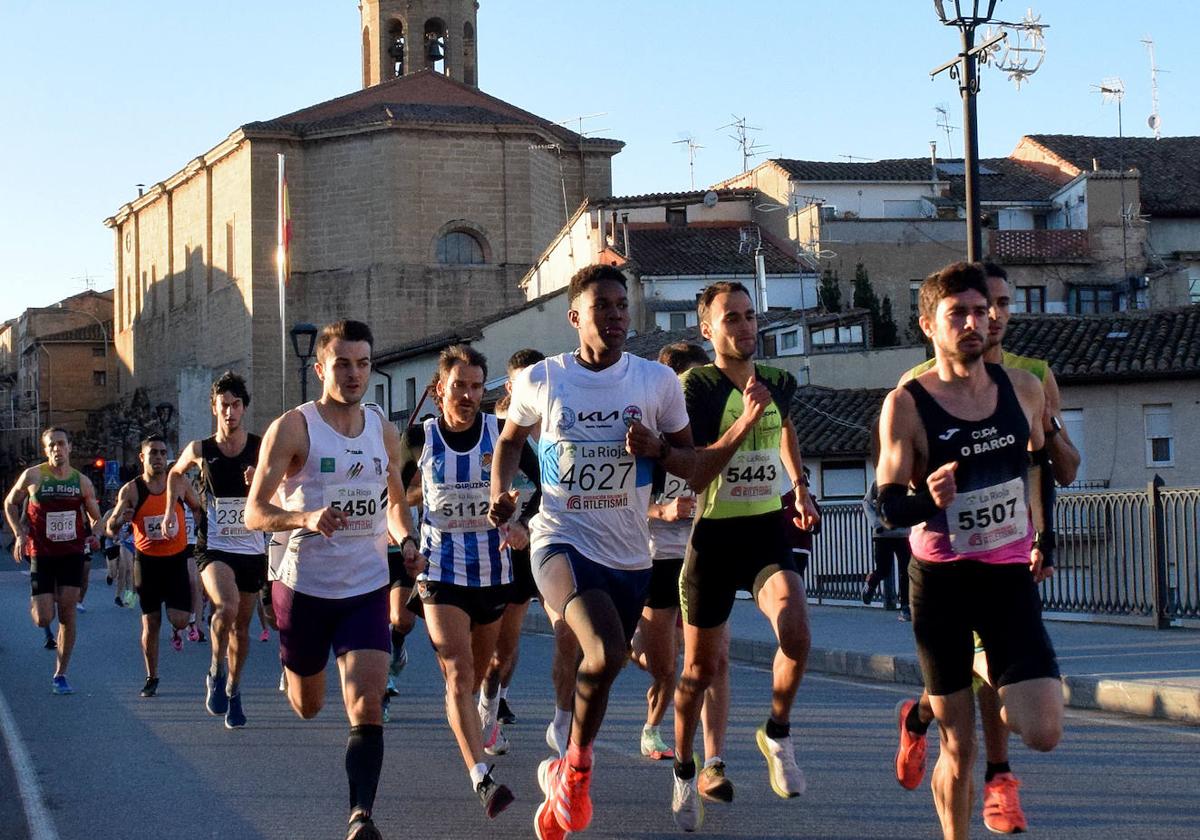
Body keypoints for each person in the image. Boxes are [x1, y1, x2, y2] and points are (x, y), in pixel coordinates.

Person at [489, 264, 695, 840]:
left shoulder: (657, 383)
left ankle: (566, 767)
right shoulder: (543, 379)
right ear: (575, 316)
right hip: (560, 538)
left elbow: (690, 460)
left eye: (622, 305)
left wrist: (658, 448)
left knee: (601, 671)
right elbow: (509, 440)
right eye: (601, 305)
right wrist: (501, 493)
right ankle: (576, 772)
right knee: (602, 652)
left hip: (631, 554)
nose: (615, 315)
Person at [878, 261, 1063, 840]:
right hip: (942, 583)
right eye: (958, 313)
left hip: (1007, 578)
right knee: (960, 743)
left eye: (982, 312)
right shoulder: (907, 403)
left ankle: (954, 688)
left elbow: (1040, 466)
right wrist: (926, 501)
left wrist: (1045, 535)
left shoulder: (1024, 389)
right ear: (929, 324)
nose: (974, 323)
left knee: (1045, 731)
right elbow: (886, 503)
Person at [245, 319, 421, 840]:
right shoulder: (293, 428)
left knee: (367, 706)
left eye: (363, 363)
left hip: (365, 588)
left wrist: (406, 542)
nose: (353, 373)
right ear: (321, 367)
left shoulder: (381, 430)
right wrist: (304, 517)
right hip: (303, 588)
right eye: (342, 363)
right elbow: (255, 512)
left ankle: (360, 816)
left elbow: (393, 503)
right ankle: (292, 669)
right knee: (309, 706)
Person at [669, 281, 819, 831]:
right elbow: (697, 466)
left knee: (797, 634)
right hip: (712, 539)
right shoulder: (696, 387)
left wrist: (799, 486)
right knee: (699, 671)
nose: (746, 327)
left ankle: (776, 733)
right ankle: (685, 769)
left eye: (751, 316)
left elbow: (787, 431)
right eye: (731, 318)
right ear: (707, 329)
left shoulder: (777, 381)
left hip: (764, 533)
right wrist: (744, 421)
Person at [399, 343, 541, 818]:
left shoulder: (500, 434)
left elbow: (545, 486)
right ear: (440, 390)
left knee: (481, 672)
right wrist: (405, 540)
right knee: (458, 672)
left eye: (476, 387)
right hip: (438, 571)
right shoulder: (419, 439)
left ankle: (487, 704)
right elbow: (392, 495)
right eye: (458, 386)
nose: (467, 395)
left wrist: (523, 524)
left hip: (493, 570)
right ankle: (482, 776)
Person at [166, 371, 265, 729]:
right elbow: (175, 474)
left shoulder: (261, 447)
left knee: (242, 629)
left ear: (243, 409)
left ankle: (235, 690)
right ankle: (215, 670)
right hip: (215, 546)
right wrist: (169, 513)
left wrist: (262, 481)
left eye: (236, 405)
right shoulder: (200, 449)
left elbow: (288, 481)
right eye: (223, 405)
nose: (229, 412)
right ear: (214, 408)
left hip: (252, 548)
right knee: (226, 606)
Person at [478, 348, 545, 744]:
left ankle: (495, 699)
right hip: (484, 549)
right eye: (524, 382)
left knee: (508, 643)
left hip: (531, 545)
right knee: (482, 641)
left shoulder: (558, 428)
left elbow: (553, 490)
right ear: (509, 387)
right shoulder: (498, 431)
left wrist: (526, 525)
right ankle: (481, 693)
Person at [5, 427, 102, 694]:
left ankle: (60, 673)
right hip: (42, 554)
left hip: (71, 554)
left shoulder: (81, 481)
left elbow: (96, 517)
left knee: (67, 614)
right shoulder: (34, 475)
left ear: (70, 447)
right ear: (45, 449)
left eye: (61, 444)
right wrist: (19, 532)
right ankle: (40, 602)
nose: (57, 449)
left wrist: (95, 534)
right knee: (42, 617)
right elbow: (10, 503)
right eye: (51, 445)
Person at [108, 434, 205, 698]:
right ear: (142, 457)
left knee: (181, 620)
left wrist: (198, 530)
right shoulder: (131, 490)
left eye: (163, 453)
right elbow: (111, 526)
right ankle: (151, 676)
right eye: (153, 453)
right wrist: (120, 521)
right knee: (150, 624)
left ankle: (178, 629)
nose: (159, 457)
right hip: (147, 563)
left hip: (175, 561)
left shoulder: (180, 482)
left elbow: (197, 508)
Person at [862, 479, 910, 618]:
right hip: (882, 534)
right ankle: (871, 584)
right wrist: (876, 523)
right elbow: (866, 502)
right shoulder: (879, 482)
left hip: (904, 534)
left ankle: (905, 605)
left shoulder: (908, 481)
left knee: (906, 570)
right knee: (884, 569)